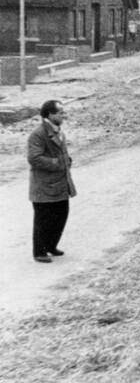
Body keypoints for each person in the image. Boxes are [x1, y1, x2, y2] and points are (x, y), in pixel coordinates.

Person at [28, 100, 76, 263]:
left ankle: (50, 246)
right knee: (44, 219)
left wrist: (67, 160)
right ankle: (39, 251)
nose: (64, 115)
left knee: (61, 216)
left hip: (60, 183)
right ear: (50, 114)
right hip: (45, 186)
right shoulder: (39, 133)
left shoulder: (57, 131)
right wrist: (57, 163)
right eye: (60, 112)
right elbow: (34, 158)